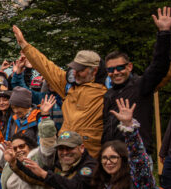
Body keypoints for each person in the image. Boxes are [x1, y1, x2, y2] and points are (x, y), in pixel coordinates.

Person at [12, 25, 106, 156]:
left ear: (94, 70)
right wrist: (24, 44)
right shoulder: (68, 86)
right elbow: (46, 66)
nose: (76, 73)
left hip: (90, 155)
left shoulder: (105, 93)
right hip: (64, 151)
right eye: (74, 68)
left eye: (81, 70)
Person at [100, 8, 171, 154]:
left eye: (120, 68)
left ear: (129, 67)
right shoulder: (108, 94)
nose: (115, 73)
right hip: (113, 156)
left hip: (136, 153)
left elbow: (159, 65)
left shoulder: (141, 85)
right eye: (110, 70)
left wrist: (164, 33)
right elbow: (107, 126)